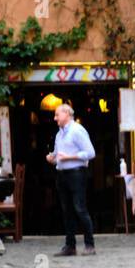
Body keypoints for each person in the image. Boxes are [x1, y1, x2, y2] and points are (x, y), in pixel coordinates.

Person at [47, 103, 96, 256]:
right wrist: (52, 158)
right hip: (62, 175)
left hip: (76, 174)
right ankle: (70, 246)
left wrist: (70, 157)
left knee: (79, 208)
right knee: (66, 210)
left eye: (57, 115)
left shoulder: (77, 131)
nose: (55, 118)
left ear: (67, 114)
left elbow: (90, 153)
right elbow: (58, 156)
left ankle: (90, 244)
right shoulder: (59, 134)